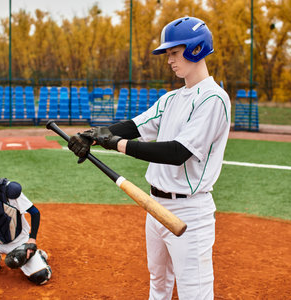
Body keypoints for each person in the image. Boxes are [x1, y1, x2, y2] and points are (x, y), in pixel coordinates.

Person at [68, 16, 230, 299]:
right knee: (158, 283)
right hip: (154, 205)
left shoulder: (213, 99)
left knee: (195, 293)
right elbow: (136, 126)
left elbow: (177, 152)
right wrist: (92, 134)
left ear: (196, 49)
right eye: (168, 54)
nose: (169, 60)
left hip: (190, 211)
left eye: (174, 53)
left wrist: (118, 145)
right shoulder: (171, 99)